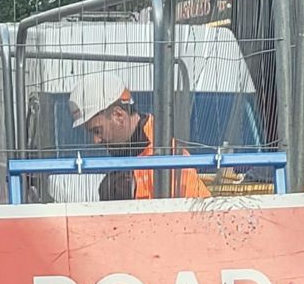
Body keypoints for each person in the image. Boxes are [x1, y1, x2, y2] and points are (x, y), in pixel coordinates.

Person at [67, 74, 210, 202]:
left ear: (118, 115)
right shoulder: (132, 151)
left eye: (97, 130)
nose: (96, 140)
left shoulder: (166, 158)